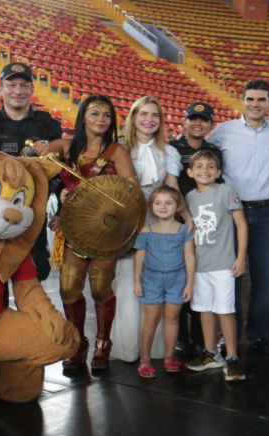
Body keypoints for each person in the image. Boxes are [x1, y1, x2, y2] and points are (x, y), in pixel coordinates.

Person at [36, 95, 134, 372]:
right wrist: (58, 190)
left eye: (106, 114)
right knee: (68, 287)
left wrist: (86, 194)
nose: (101, 118)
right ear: (82, 117)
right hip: (72, 230)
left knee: (101, 287)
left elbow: (130, 192)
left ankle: (103, 344)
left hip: (106, 230)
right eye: (94, 113)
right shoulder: (66, 146)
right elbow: (35, 158)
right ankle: (78, 344)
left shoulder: (116, 151)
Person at [207, 79, 269, 355]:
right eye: (250, 99)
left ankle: (259, 335)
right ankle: (229, 335)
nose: (255, 104)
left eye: (261, 100)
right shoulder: (223, 132)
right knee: (228, 278)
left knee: (265, 278)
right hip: (231, 212)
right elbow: (202, 155)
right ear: (242, 101)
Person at [0, 62, 61, 281]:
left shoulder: (49, 126)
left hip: (33, 216)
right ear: (0, 88)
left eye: (24, 85)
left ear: (32, 89)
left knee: (34, 280)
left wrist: (61, 208)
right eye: (11, 84)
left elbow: (61, 170)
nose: (18, 91)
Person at [113, 96, 186, 361]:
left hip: (158, 219)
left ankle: (153, 348)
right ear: (134, 117)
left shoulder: (169, 152)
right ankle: (128, 348)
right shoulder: (119, 148)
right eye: (144, 114)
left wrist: (187, 218)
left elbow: (173, 190)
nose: (149, 119)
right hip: (127, 219)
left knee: (153, 279)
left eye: (155, 115)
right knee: (128, 280)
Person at [184, 150, 249, 381]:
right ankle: (211, 353)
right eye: (199, 167)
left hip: (223, 263)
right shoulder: (189, 198)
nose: (205, 171)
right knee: (204, 309)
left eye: (211, 167)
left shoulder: (225, 191)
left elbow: (241, 225)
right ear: (190, 172)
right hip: (200, 265)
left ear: (219, 172)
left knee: (225, 310)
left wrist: (240, 257)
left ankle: (231, 356)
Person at [169, 102, 223, 358]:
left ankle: (202, 338)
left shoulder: (214, 151)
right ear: (185, 121)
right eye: (193, 119)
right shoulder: (172, 149)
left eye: (203, 120)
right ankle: (181, 337)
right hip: (178, 222)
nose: (198, 124)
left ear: (210, 125)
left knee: (201, 281)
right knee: (179, 280)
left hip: (205, 223)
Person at [133, 185, 195, 378]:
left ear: (177, 207)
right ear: (152, 207)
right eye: (158, 203)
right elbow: (139, 257)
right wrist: (137, 280)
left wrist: (190, 284)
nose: (163, 206)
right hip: (151, 280)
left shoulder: (185, 230)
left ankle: (169, 358)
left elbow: (190, 257)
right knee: (150, 320)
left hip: (177, 280)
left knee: (172, 319)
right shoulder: (146, 230)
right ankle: (144, 360)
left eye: (168, 203)